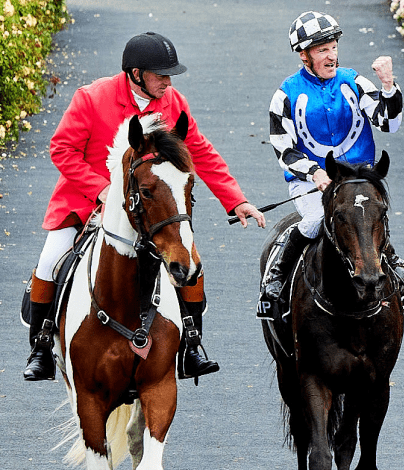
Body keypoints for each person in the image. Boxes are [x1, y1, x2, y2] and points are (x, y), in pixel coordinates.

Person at [24, 31, 266, 381]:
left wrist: (236, 200)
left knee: (190, 264)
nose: (168, 83)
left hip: (148, 210)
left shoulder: (173, 103)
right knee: (50, 261)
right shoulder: (91, 98)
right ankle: (42, 346)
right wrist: (101, 190)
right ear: (136, 74)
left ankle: (192, 345)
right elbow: (62, 149)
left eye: (170, 76)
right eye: (161, 76)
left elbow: (199, 151)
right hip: (85, 203)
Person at [265, 11, 404, 301]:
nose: (331, 56)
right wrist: (314, 173)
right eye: (322, 50)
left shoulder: (354, 81)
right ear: (304, 56)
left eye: (333, 47)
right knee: (316, 219)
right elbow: (284, 149)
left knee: (370, 216)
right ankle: (278, 272)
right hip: (312, 182)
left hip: (358, 179)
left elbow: (388, 124)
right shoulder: (286, 94)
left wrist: (388, 86)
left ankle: (392, 263)